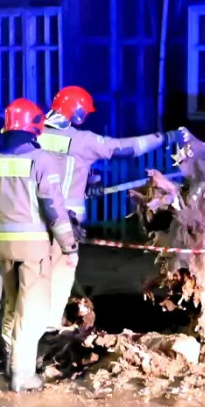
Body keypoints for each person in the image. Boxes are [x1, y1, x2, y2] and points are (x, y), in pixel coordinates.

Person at [37, 85, 186, 331]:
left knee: (36, 271)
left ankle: (29, 321)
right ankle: (51, 325)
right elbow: (125, 148)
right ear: (77, 113)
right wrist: (165, 138)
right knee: (62, 271)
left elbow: (54, 168)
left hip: (33, 218)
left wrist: (87, 181)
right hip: (65, 221)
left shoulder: (36, 136)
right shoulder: (81, 140)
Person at [0, 97, 78, 392]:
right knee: (31, 310)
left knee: (12, 306)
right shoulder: (41, 160)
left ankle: (10, 363)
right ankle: (22, 374)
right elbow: (54, 210)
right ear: (34, 127)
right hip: (35, 250)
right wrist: (69, 246)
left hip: (6, 248)